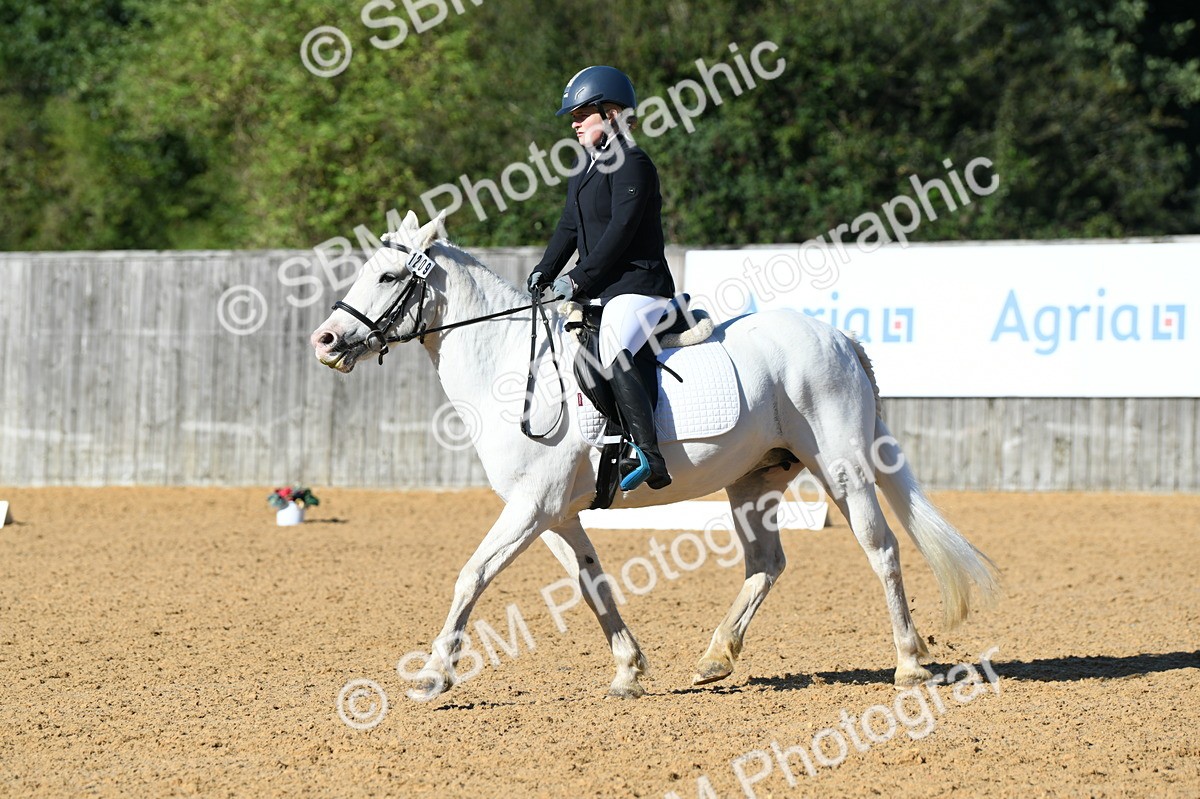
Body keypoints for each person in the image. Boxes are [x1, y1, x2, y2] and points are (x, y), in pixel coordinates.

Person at [527, 65, 675, 490]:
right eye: (572, 117)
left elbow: (620, 232)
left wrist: (576, 280)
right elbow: (569, 226)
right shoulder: (584, 168)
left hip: (639, 287)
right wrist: (544, 270)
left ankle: (649, 455)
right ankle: (613, 438)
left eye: (581, 115)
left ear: (611, 114)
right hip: (603, 290)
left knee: (611, 342)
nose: (573, 124)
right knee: (579, 357)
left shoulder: (633, 163)